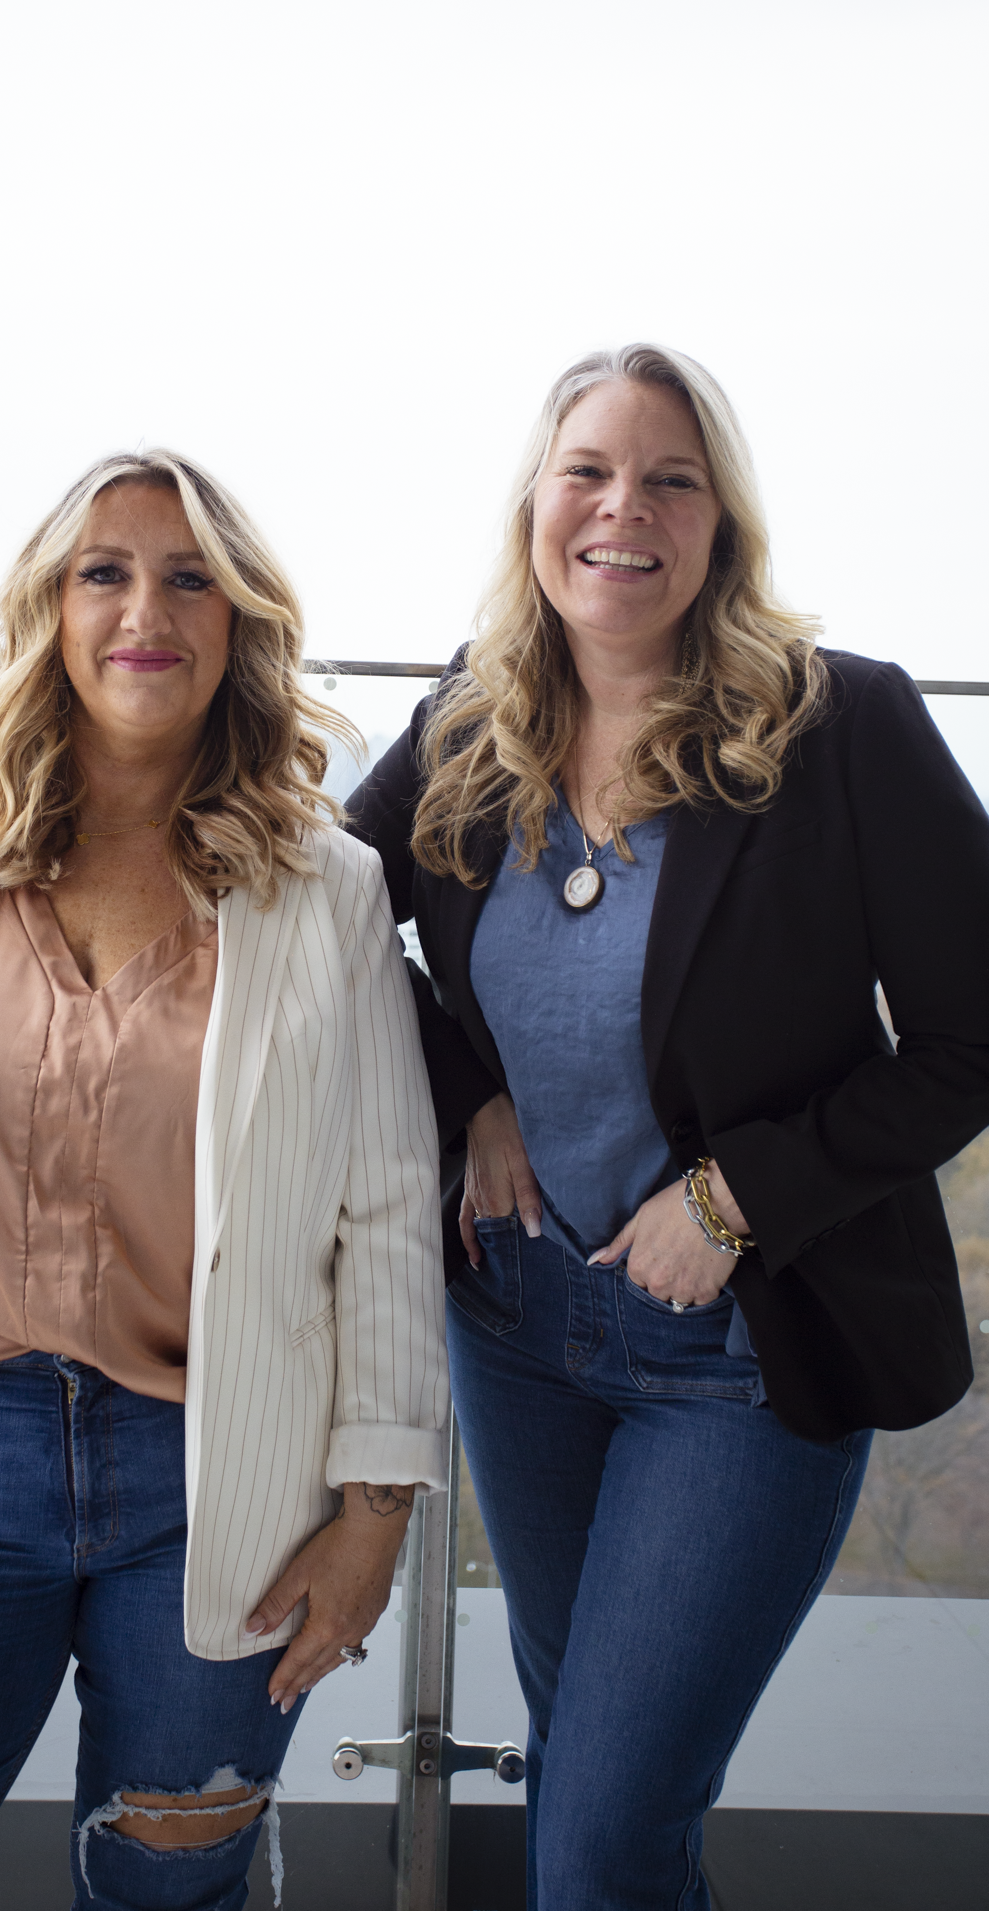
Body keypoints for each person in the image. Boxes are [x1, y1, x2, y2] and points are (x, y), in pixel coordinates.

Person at [0, 451, 448, 1911]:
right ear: (50, 609)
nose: (145, 610)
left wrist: (377, 1513)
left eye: (191, 579)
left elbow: (384, 1215)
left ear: (239, 623)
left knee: (173, 1891)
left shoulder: (327, 891)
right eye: (103, 572)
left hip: (220, 1479)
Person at [347, 344, 988, 1910]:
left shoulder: (843, 731)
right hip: (520, 1326)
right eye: (589, 471)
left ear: (720, 525)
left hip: (741, 1358)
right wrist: (466, 1091)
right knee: (589, 1780)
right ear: (535, 505)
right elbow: (333, 929)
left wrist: (738, 1198)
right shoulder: (465, 722)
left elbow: (972, 1041)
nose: (622, 509)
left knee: (605, 1837)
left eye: (670, 479)